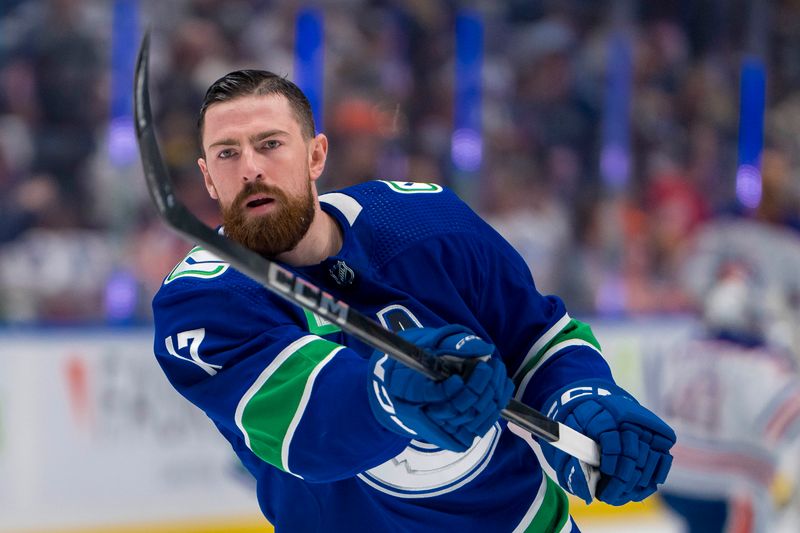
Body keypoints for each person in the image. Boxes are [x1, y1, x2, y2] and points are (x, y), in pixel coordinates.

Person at [151, 70, 676, 532]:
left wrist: (581, 401)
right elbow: (309, 429)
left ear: (315, 156)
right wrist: (389, 392)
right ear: (207, 178)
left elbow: (537, 341)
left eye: (270, 144)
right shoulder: (201, 301)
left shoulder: (425, 223)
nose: (250, 169)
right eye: (227, 153)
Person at [646, 220, 800, 533]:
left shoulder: (679, 349)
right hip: (728, 487)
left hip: (673, 480)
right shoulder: (758, 365)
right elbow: (790, 420)